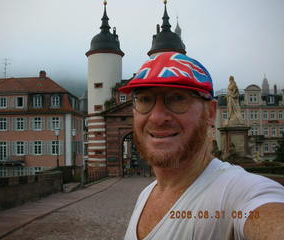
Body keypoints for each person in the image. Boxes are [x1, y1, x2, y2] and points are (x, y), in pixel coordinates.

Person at [119, 52, 284, 240]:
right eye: (145, 99)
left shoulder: (240, 192)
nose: (156, 117)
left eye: (177, 98)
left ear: (211, 113)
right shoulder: (146, 194)